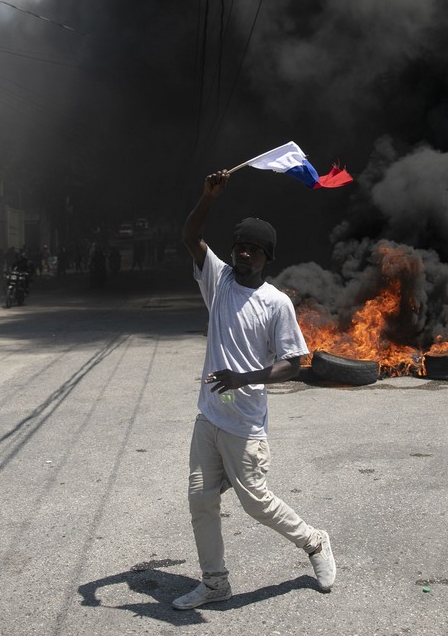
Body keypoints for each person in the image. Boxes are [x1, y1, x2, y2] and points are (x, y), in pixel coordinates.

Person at [172, 169, 335, 611]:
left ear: (267, 257)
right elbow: (190, 233)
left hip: (245, 422)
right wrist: (208, 196)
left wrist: (243, 378)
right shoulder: (218, 280)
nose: (245, 252)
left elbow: (292, 365)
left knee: (257, 503)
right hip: (210, 416)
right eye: (240, 245)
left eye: (254, 249)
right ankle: (214, 582)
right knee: (200, 500)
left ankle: (315, 542)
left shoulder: (277, 303)